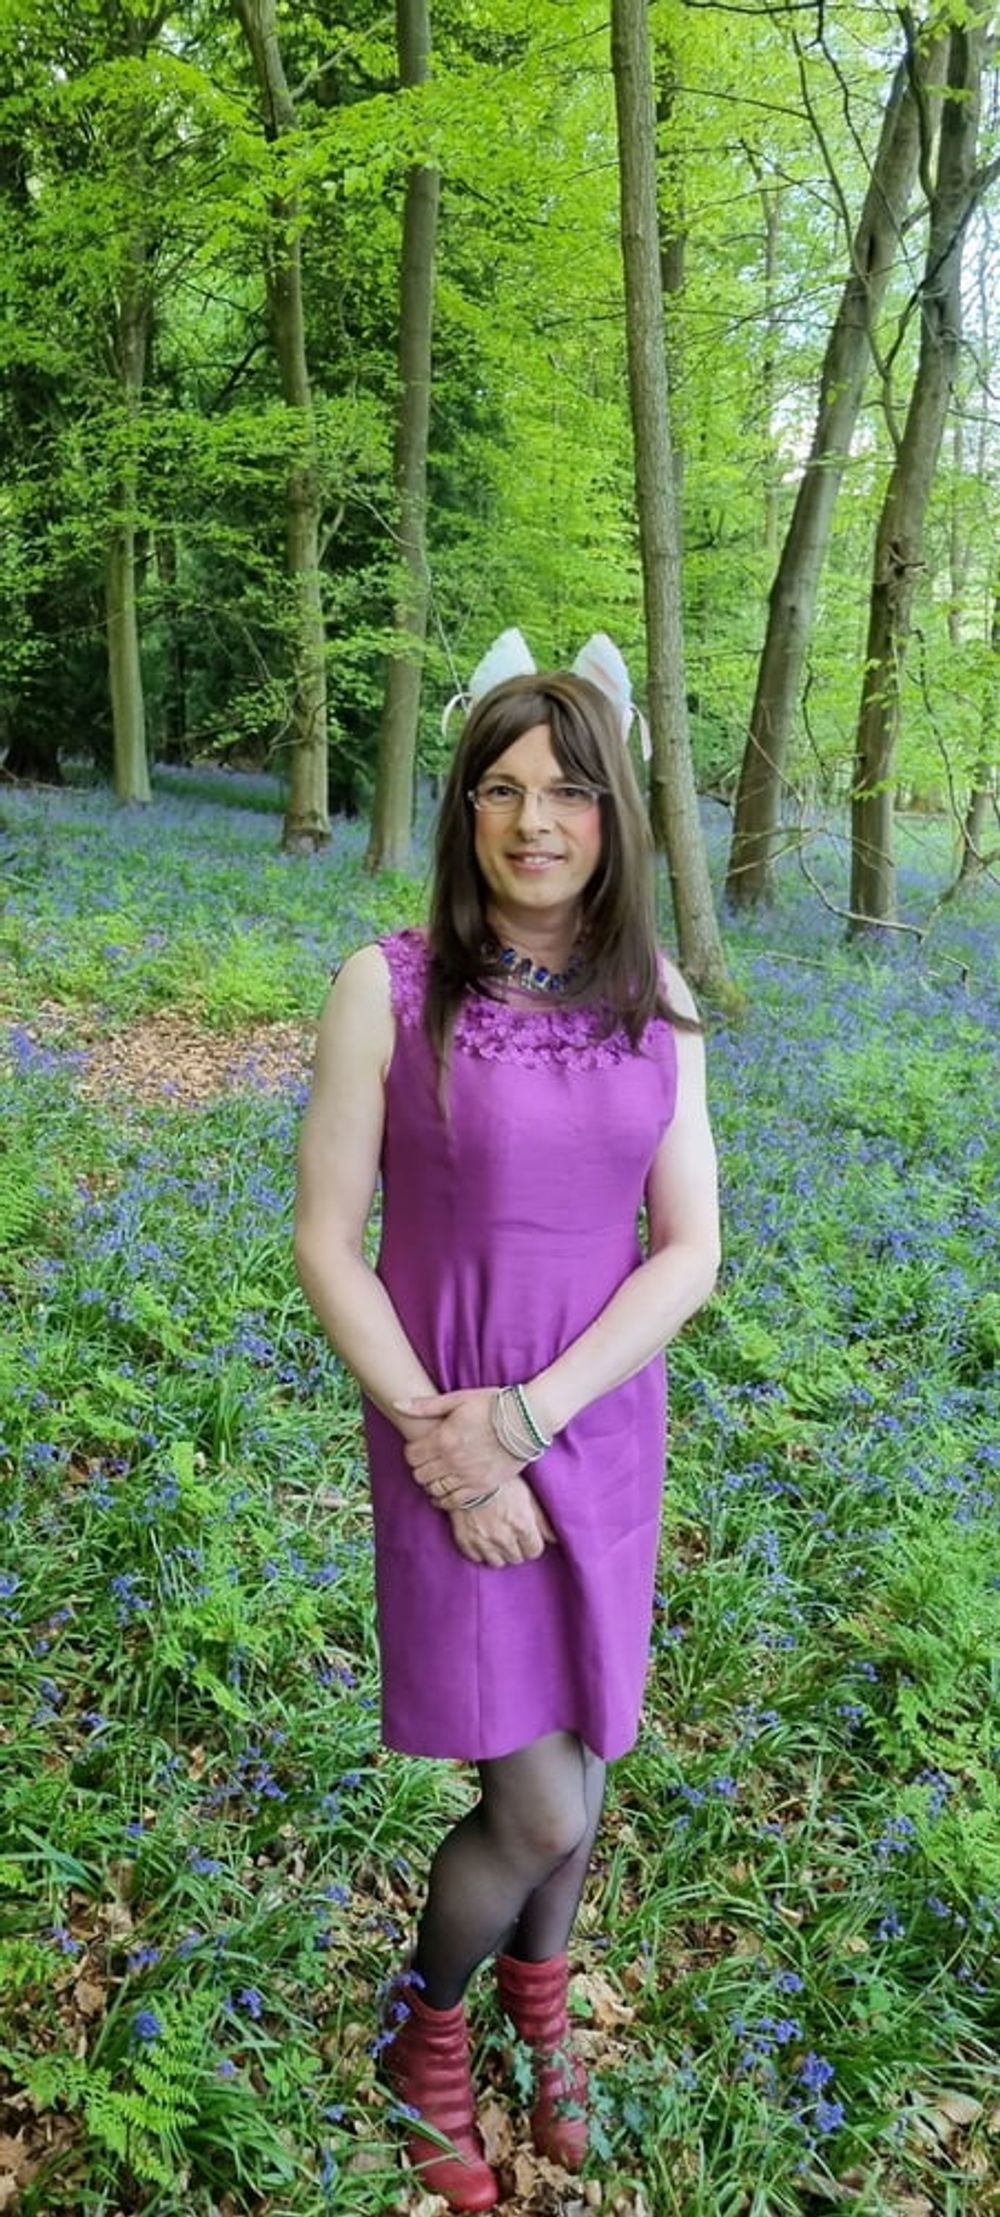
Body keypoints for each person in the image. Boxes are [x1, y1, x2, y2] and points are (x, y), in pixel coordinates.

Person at [294, 636, 720, 2212]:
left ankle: (543, 2006)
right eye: (501, 786)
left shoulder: (655, 1001)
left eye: (568, 790)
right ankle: (428, 2027)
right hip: (440, 1428)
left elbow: (691, 1249)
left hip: (593, 1426)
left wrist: (534, 1420)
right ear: (465, 807)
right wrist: (443, 1438)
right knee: (533, 1795)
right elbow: (330, 1238)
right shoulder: (387, 986)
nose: (534, 818)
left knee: (590, 1757)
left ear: (615, 814)